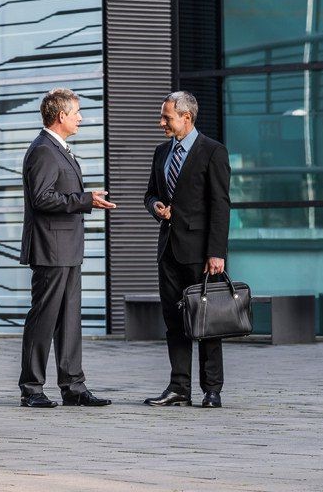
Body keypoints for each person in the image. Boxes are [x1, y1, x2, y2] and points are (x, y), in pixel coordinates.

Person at [18, 88, 115, 408]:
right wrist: (86, 200)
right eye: (77, 113)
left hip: (67, 248)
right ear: (61, 116)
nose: (81, 118)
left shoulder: (57, 148)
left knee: (70, 318)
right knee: (44, 319)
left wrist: (85, 199)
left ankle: (73, 386)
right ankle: (32, 388)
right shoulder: (44, 150)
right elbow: (42, 198)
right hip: (51, 248)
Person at [143, 91, 230, 409]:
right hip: (168, 250)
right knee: (173, 320)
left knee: (208, 320)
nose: (161, 122)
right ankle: (179, 387)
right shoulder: (161, 152)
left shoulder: (212, 152)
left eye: (166, 117)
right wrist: (156, 207)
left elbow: (221, 205)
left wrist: (216, 252)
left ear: (186, 117)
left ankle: (212, 390)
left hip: (202, 253)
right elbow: (150, 193)